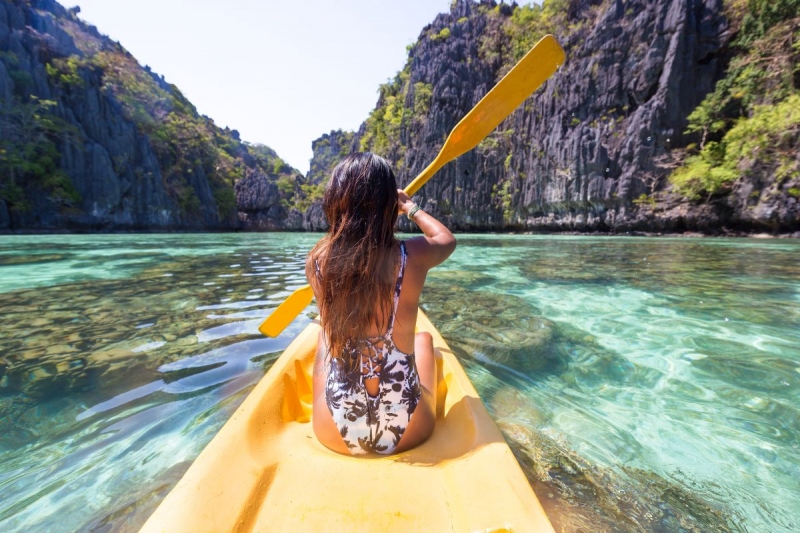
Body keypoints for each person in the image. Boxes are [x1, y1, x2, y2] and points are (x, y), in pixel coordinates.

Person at [307, 152, 456, 455]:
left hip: (334, 431)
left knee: (324, 343)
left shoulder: (317, 263)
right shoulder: (412, 255)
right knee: (424, 340)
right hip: (410, 429)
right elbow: (445, 238)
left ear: (334, 204)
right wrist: (410, 207)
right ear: (390, 205)